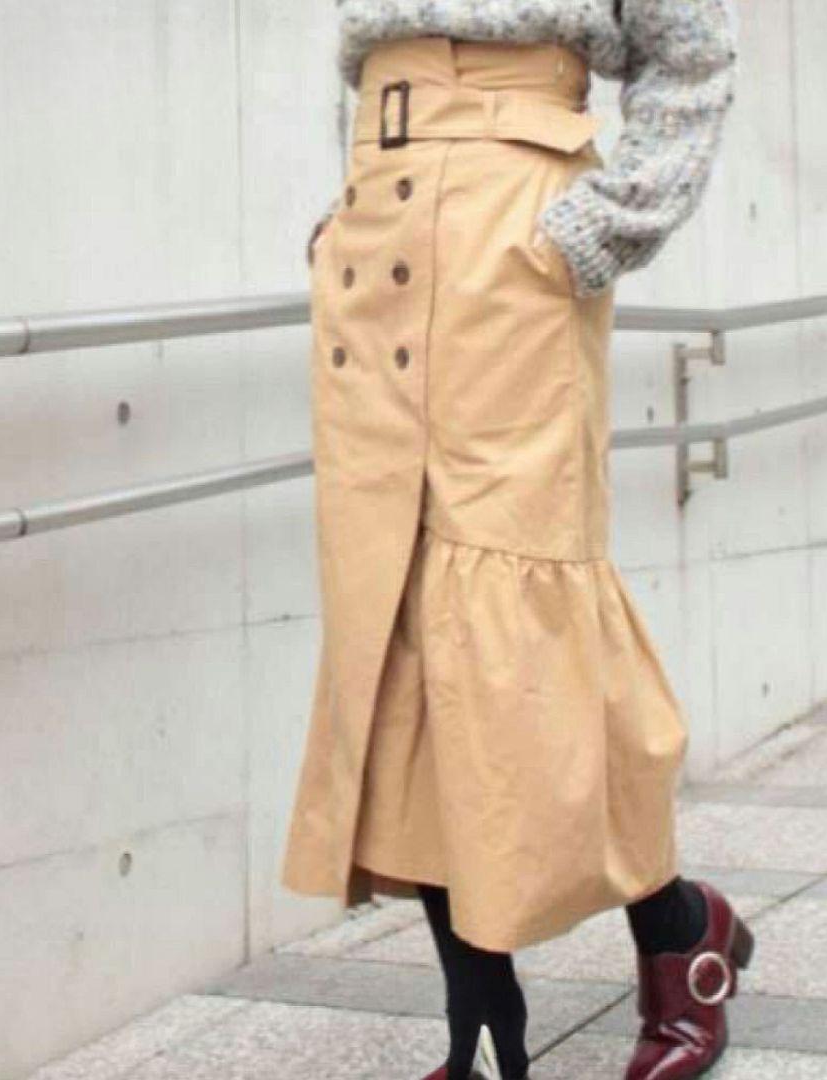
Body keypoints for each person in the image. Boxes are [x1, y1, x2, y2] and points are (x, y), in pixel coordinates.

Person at [281, 4, 750, 1079]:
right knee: (396, 616)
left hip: (510, 237)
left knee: (515, 613)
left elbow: (691, 50)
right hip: (378, 230)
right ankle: (483, 1026)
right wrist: (342, 211)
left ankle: (679, 929)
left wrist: (606, 221)